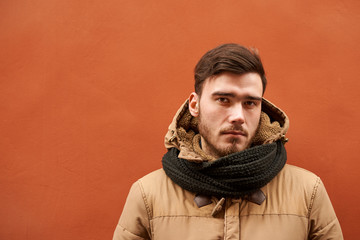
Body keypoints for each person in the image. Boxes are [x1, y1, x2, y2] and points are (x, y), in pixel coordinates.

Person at [113, 43, 343, 239]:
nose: (238, 116)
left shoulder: (308, 192)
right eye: (223, 99)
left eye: (250, 103)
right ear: (195, 104)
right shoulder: (148, 195)